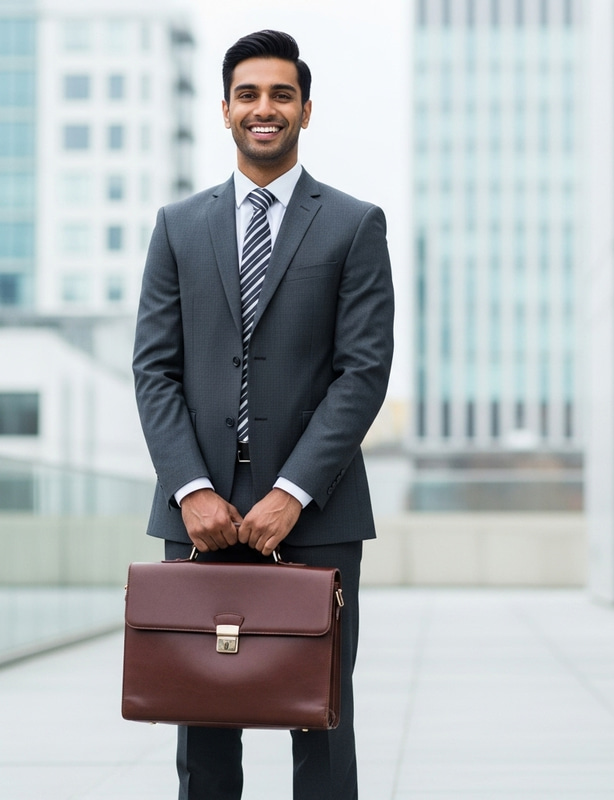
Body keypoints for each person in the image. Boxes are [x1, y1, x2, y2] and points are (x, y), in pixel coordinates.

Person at [132, 29, 394, 800]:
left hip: (316, 516)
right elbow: (154, 370)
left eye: (281, 93)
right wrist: (190, 488)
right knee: (204, 725)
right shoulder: (178, 227)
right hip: (198, 516)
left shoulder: (353, 224)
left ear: (306, 110)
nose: (264, 109)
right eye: (248, 94)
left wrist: (291, 492)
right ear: (224, 109)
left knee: (319, 720)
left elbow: (363, 372)